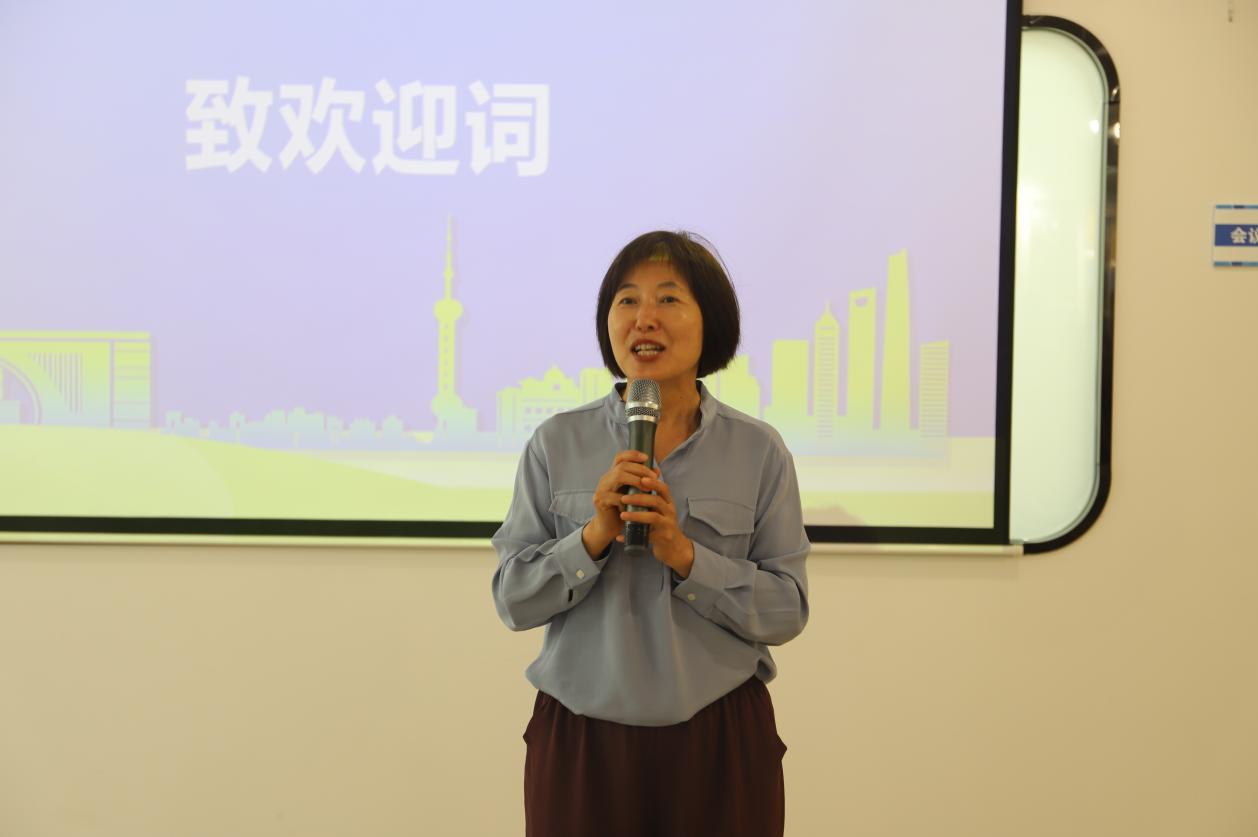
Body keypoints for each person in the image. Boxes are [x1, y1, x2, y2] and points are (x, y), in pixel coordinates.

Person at [491, 230, 810, 837]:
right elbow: (513, 599)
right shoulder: (556, 442)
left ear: (711, 322)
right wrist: (593, 536)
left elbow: (786, 610)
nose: (645, 319)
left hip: (718, 738)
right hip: (582, 740)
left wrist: (686, 556)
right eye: (627, 301)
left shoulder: (758, 450)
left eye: (668, 299)